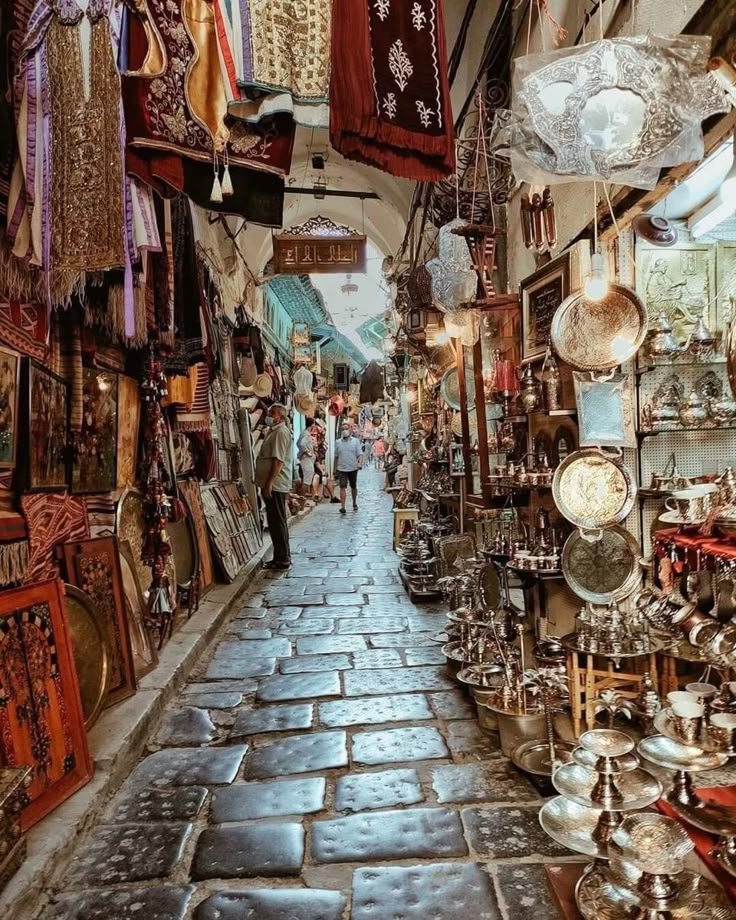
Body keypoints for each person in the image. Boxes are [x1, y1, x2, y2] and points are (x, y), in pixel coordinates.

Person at [255, 403, 293, 569]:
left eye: (272, 413)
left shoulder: (280, 433)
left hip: (276, 485)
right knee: (276, 521)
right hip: (274, 484)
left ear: (281, 417)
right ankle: (280, 556)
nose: (269, 415)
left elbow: (278, 461)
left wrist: (269, 483)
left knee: (277, 522)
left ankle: (282, 558)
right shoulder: (275, 431)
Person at [333, 420, 363, 514]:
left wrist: (360, 464)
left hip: (353, 468)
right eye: (342, 429)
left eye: (346, 429)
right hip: (341, 468)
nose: (344, 431)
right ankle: (343, 506)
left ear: (350, 430)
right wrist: (334, 469)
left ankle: (354, 503)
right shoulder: (337, 442)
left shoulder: (355, 442)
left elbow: (360, 454)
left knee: (353, 486)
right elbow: (336, 456)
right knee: (342, 487)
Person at [297, 417, 320, 500]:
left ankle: (301, 499)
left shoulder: (304, 433)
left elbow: (298, 443)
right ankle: (301, 499)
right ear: (312, 424)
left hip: (305, 459)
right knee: (307, 480)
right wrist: (308, 452)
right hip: (306, 459)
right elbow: (302, 444)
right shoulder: (306, 434)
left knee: (307, 479)